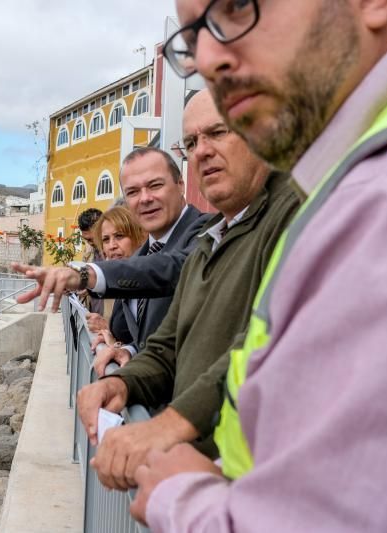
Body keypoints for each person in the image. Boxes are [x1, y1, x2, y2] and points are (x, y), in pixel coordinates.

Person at [132, 2, 387, 531]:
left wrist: (178, 493)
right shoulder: (363, 180)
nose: (209, 60)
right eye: (193, 40)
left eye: (236, 7)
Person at [77, 89, 299, 491]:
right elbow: (165, 348)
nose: (202, 151)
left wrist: (165, 427)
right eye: (192, 142)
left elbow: (265, 350)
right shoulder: (210, 242)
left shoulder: (295, 214)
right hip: (198, 483)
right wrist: (121, 384)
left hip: (256, 489)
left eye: (218, 132)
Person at [14, 147, 210, 354]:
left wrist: (84, 274)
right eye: (133, 192)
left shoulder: (207, 232)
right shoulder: (144, 254)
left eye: (155, 185)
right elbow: (153, 338)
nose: (145, 198)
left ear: (180, 184)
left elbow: (173, 269)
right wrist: (128, 350)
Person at [87, 206, 147, 367]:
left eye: (119, 236)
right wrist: (109, 336)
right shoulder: (123, 284)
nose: (112, 246)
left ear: (140, 237)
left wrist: (116, 345)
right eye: (106, 240)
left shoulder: (153, 283)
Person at [76, 208, 104, 315]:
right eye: (86, 240)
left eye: (92, 239)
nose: (89, 243)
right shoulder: (90, 251)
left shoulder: (116, 252)